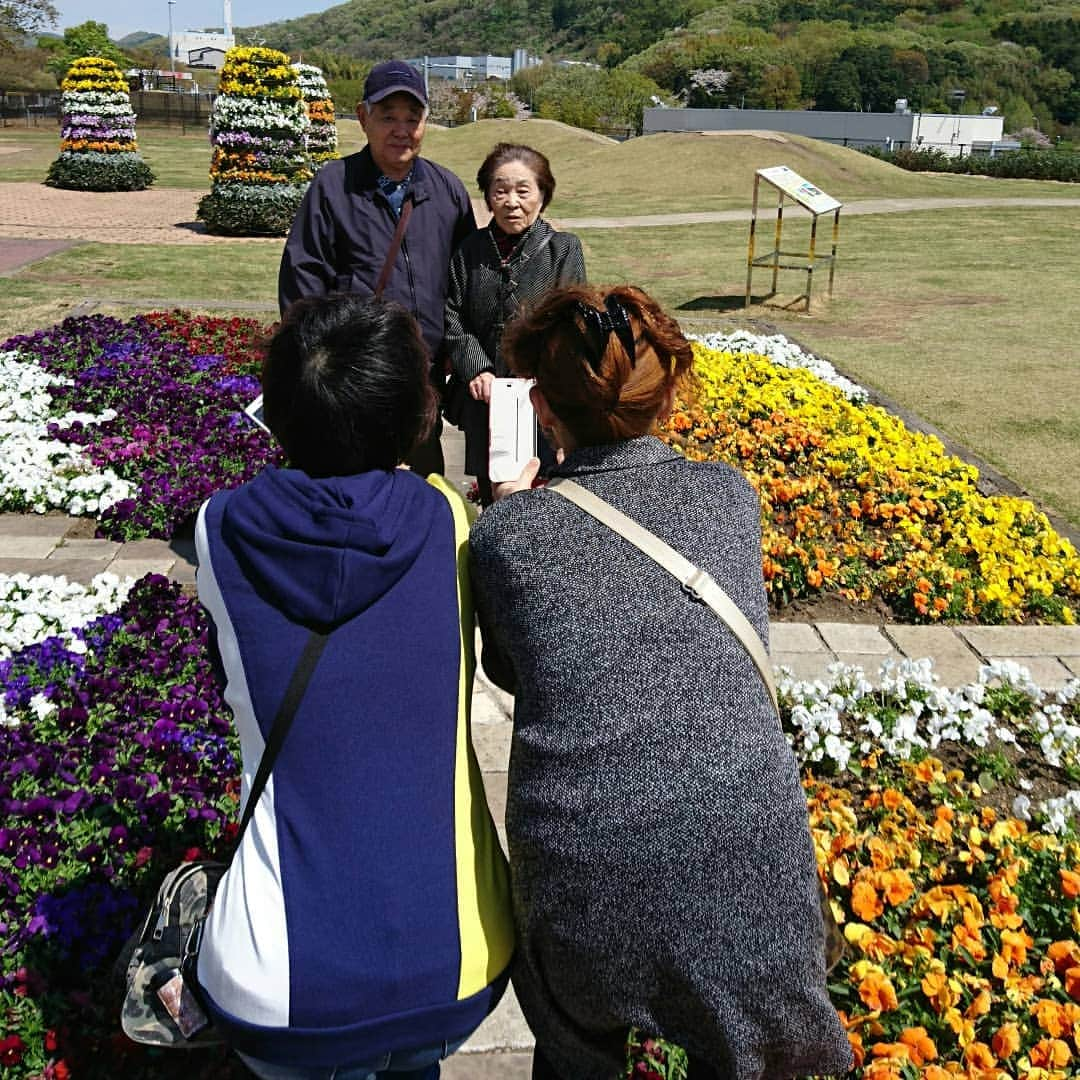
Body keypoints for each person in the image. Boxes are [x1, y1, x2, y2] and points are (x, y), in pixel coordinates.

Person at [468, 285, 853, 1080]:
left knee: (581, 1056)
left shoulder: (509, 534)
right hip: (753, 865)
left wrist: (514, 514)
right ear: (669, 389)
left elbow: (511, 668)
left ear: (542, 408)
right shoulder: (730, 497)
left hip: (582, 886)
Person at [193, 295, 513, 1080]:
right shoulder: (447, 518)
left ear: (276, 412)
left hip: (277, 981)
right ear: (415, 418)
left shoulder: (219, 527)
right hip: (454, 959)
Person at [278, 60, 477, 475]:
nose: (401, 130)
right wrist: (321, 361)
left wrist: (461, 356)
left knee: (422, 484)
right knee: (350, 477)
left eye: (413, 118)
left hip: (421, 373)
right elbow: (302, 281)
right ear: (364, 117)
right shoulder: (333, 185)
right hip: (353, 371)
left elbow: (467, 282)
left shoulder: (447, 191)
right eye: (388, 117)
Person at [443, 142, 585, 505]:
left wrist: (543, 373)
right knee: (491, 489)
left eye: (523, 191)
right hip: (485, 398)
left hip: (542, 398)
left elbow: (570, 319)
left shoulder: (563, 249)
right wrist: (477, 369)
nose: (511, 201)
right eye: (500, 190)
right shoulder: (469, 250)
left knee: (546, 491)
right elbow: (452, 315)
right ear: (488, 197)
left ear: (542, 195)